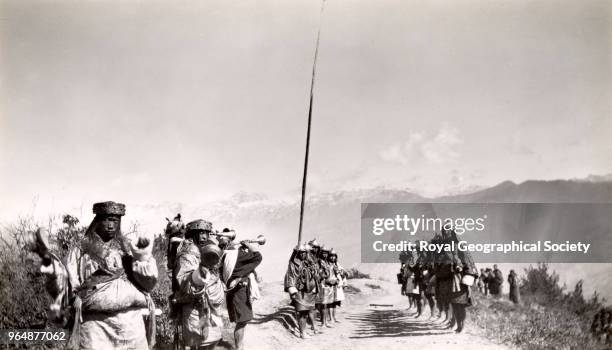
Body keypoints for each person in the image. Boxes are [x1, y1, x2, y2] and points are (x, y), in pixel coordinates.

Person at [39, 201, 158, 350]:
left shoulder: (128, 248)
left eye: (115, 220)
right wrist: (74, 297)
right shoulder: (81, 250)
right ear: (97, 221)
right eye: (107, 219)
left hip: (131, 324)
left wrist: (143, 256)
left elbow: (148, 283)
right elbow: (70, 279)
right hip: (96, 325)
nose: (111, 225)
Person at [173, 219, 226, 350]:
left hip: (210, 309)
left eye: (207, 233)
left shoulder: (204, 250)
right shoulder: (187, 254)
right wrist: (202, 271)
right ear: (193, 234)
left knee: (210, 343)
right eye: (201, 233)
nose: (205, 236)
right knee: (198, 344)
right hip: (195, 309)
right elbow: (185, 281)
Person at [220, 233, 263, 350]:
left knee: (243, 321)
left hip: (237, 292)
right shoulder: (236, 255)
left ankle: (240, 346)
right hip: (238, 293)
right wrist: (248, 244)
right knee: (242, 321)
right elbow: (258, 256)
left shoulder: (225, 255)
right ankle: (238, 347)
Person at [284, 244, 319, 338]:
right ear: (297, 253)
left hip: (309, 292)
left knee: (307, 312)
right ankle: (302, 333)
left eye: (304, 252)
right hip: (299, 292)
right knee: (302, 313)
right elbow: (291, 277)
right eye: (301, 252)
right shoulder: (293, 264)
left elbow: (315, 275)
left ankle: (305, 331)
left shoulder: (309, 263)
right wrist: (293, 291)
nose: (303, 254)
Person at [315, 246, 336, 328]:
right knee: (323, 304)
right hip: (322, 284)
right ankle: (323, 322)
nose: (325, 254)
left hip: (328, 285)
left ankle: (325, 321)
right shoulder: (319, 262)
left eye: (326, 253)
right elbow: (319, 274)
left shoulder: (326, 262)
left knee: (326, 304)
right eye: (323, 253)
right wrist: (325, 277)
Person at [328, 249, 345, 323]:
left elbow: (342, 273)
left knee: (335, 302)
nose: (332, 258)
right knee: (330, 302)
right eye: (331, 256)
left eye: (334, 256)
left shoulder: (337, 264)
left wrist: (341, 273)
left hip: (336, 285)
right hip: (329, 284)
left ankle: (334, 317)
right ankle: (331, 318)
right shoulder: (327, 264)